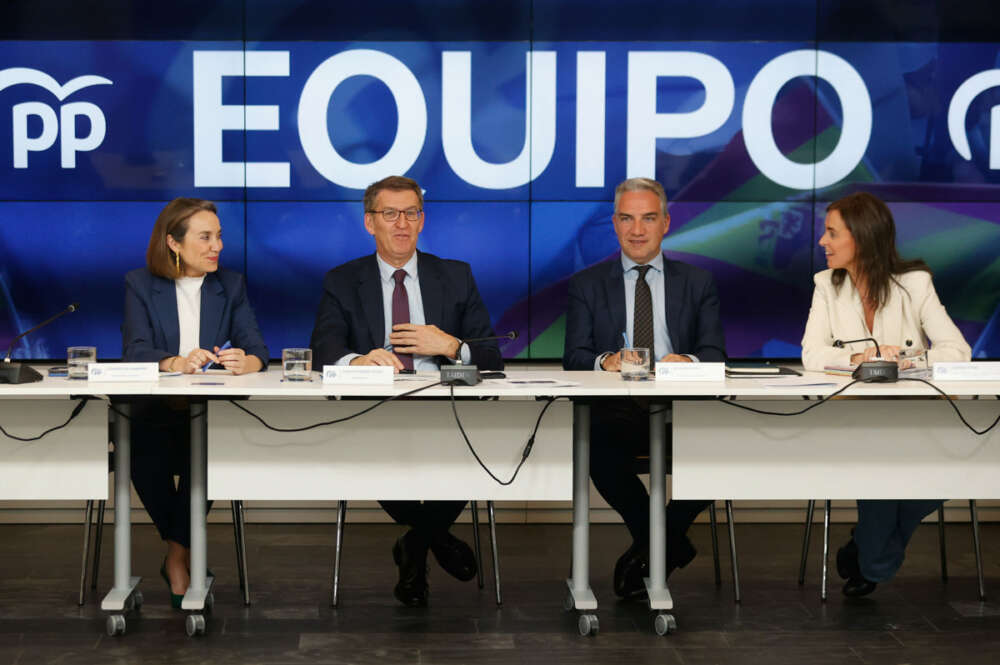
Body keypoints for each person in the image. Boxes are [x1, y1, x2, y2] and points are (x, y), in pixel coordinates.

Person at [310, 175, 503, 607]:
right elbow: (323, 350)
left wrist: (450, 346)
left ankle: (415, 543)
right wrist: (357, 362)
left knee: (476, 446)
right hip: (376, 410)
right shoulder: (343, 280)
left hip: (449, 408)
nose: (402, 223)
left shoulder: (455, 275)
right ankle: (430, 536)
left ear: (422, 220)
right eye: (390, 214)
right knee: (370, 450)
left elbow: (492, 360)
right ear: (369, 223)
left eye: (411, 213)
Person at [563, 177, 727, 599]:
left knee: (721, 453)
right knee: (597, 452)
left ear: (666, 223)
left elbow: (713, 353)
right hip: (618, 410)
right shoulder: (586, 284)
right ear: (615, 224)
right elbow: (575, 357)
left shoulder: (697, 282)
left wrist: (686, 362)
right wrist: (607, 361)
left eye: (648, 219)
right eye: (627, 219)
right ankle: (667, 545)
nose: (637, 230)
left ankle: (653, 547)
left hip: (682, 408)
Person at [801, 191, 971, 596]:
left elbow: (957, 350)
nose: (822, 242)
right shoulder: (827, 284)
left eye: (831, 233)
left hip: (919, 419)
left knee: (967, 463)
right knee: (880, 466)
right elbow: (812, 354)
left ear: (861, 237)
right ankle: (868, 558)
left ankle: (862, 549)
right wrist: (859, 357)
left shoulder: (915, 283)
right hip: (854, 420)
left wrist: (910, 361)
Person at [122, 198, 269, 608]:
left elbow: (257, 347)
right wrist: (175, 362)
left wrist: (248, 361)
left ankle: (176, 556)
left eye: (219, 236)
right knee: (142, 456)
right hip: (154, 411)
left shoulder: (231, 285)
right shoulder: (139, 283)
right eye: (205, 238)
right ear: (174, 243)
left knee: (202, 457)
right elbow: (136, 350)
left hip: (207, 412)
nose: (217, 246)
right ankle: (183, 551)